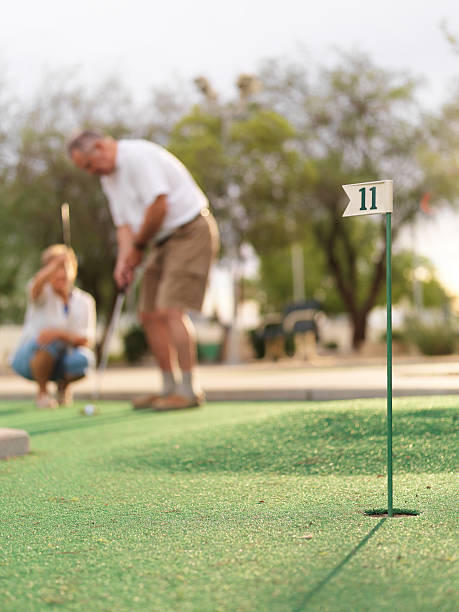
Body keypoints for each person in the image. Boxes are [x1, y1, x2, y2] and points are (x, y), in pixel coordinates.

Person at [68, 131, 219, 411]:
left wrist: (137, 248)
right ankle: (168, 387)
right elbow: (124, 224)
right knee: (148, 313)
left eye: (89, 165)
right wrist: (123, 261)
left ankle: (188, 390)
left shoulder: (136, 156)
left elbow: (159, 205)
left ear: (100, 147)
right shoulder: (109, 179)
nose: (91, 172)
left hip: (190, 230)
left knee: (171, 309)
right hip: (160, 241)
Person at [10, 245, 96, 409]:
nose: (59, 273)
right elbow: (36, 286)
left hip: (63, 358)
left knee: (83, 359)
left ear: (73, 270)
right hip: (28, 358)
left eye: (63, 267)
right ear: (47, 271)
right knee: (49, 343)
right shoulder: (42, 292)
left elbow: (87, 340)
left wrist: (59, 334)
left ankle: (63, 387)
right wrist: (56, 262)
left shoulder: (84, 301)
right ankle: (42, 393)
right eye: (54, 268)